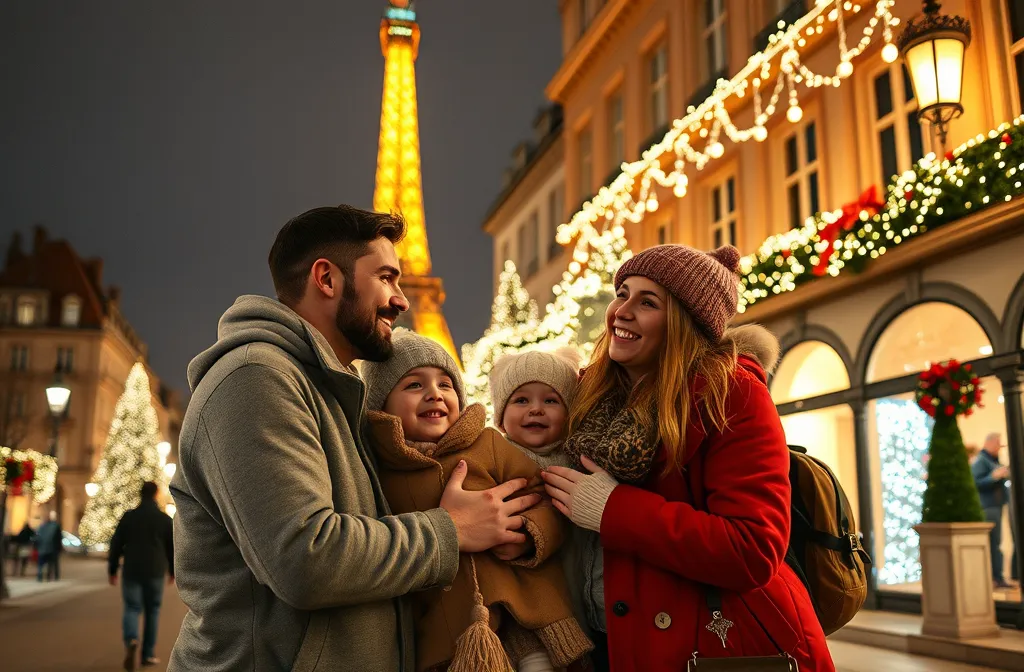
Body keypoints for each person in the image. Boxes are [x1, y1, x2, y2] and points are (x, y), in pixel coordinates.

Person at [168, 205, 540, 672]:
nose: (402, 300)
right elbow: (305, 559)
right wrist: (451, 529)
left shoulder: (332, 390)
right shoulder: (256, 379)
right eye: (386, 277)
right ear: (327, 278)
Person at [541, 244, 835, 671]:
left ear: (684, 321)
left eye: (647, 302)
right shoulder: (589, 396)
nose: (621, 310)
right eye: (622, 293)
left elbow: (752, 548)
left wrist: (613, 508)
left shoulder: (731, 394)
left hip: (711, 646)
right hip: (607, 642)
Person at [362, 329, 591, 672]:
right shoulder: (380, 470)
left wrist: (528, 536)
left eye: (445, 384)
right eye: (414, 385)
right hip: (449, 627)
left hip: (523, 609)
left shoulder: (488, 445)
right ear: (381, 403)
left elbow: (542, 496)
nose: (434, 395)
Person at [109, 481, 175, 670]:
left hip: (132, 569)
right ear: (156, 495)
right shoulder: (163, 519)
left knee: (132, 607)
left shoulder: (129, 517)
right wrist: (172, 571)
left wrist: (112, 569)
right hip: (155, 569)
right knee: (152, 611)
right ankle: (147, 654)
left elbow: (116, 543)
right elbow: (171, 547)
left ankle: (131, 639)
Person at [972, 432, 1016, 588]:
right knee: (993, 543)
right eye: (998, 444)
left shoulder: (991, 460)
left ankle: (998, 577)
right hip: (988, 507)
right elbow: (975, 483)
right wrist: (994, 476)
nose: (999, 447)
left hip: (996, 506)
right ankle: (996, 578)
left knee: (996, 543)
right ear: (989, 443)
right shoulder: (981, 461)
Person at [34, 511, 62, 582]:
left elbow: (37, 537)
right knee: (52, 563)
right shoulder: (55, 526)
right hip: (52, 549)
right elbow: (59, 538)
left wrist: (37, 546)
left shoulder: (41, 527)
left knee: (41, 564)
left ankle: (40, 576)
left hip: (42, 549)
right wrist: (59, 548)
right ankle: (51, 576)